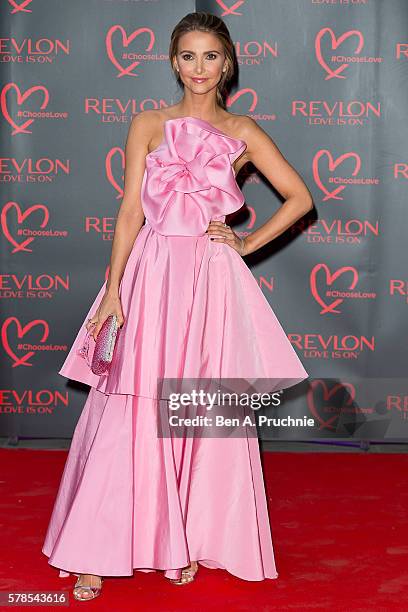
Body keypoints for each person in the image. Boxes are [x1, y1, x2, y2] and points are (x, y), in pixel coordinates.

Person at [42, 11, 312, 601]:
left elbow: (300, 198)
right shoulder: (148, 123)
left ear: (227, 63)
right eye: (187, 56)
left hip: (208, 278)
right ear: (173, 61)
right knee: (131, 406)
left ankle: (180, 540)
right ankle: (96, 548)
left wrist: (243, 242)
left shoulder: (243, 129)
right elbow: (130, 212)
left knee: (192, 407)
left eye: (210, 56)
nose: (198, 68)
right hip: (151, 269)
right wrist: (113, 289)